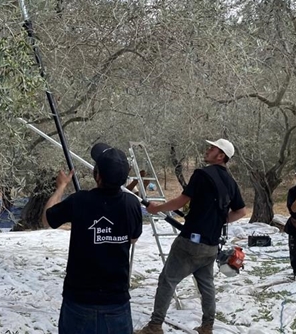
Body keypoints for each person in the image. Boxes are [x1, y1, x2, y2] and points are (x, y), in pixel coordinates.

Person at [135, 139, 246, 334]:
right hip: (211, 246)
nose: (207, 150)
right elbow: (241, 211)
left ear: (221, 156)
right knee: (207, 286)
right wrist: (219, 221)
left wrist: (156, 208)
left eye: (212, 148)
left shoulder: (202, 174)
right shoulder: (230, 182)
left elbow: (181, 201)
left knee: (167, 280)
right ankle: (207, 327)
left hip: (189, 243)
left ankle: (155, 326)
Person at [43, 142, 143, 334]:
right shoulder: (131, 204)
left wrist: (61, 187)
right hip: (116, 303)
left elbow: (47, 219)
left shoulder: (79, 200)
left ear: (97, 176)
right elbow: (133, 239)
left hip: (79, 302)